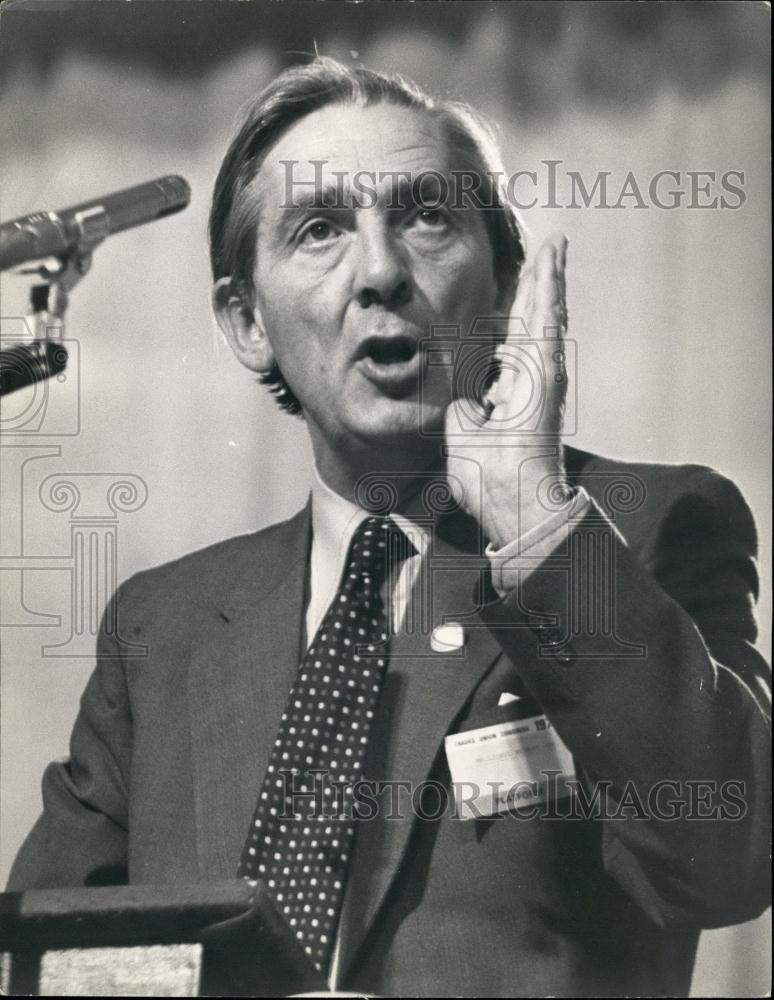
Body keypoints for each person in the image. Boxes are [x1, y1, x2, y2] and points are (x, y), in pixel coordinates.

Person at [8, 58, 771, 998]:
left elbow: (730, 855)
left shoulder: (644, 532)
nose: (379, 272)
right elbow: (41, 961)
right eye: (320, 230)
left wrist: (536, 525)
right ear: (247, 322)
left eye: (426, 217)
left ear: (504, 289)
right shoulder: (159, 627)